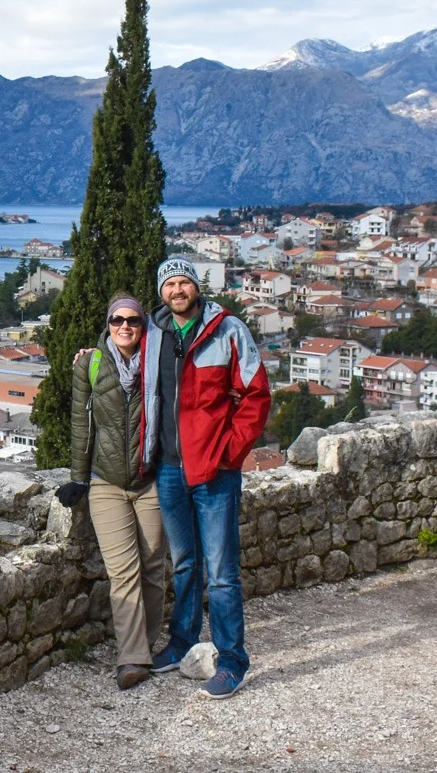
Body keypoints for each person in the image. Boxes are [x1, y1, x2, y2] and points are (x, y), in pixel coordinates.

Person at [147, 257, 271, 698]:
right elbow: (124, 366)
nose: (177, 290)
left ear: (196, 288)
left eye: (184, 283)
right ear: (162, 292)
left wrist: (230, 452)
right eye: (170, 284)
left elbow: (257, 396)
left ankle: (232, 659)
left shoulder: (228, 330)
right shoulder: (152, 333)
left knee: (220, 572)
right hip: (168, 469)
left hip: (214, 470)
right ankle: (182, 642)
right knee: (183, 565)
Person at [56, 294, 166, 689]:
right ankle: (132, 658)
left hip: (151, 480)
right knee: (124, 571)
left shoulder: (160, 361)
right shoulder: (91, 363)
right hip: (105, 482)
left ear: (143, 325)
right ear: (108, 323)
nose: (125, 326)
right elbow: (80, 423)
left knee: (154, 568)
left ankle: (147, 645)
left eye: (133, 321)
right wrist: (78, 477)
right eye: (117, 320)